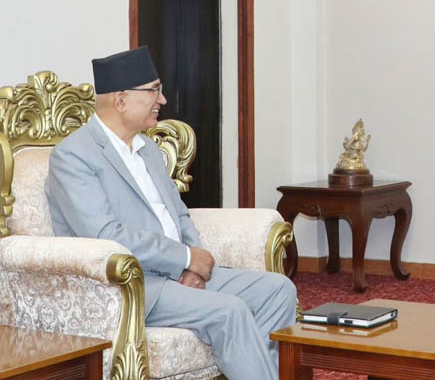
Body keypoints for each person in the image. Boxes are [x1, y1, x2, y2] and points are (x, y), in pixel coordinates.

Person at [45, 46, 297, 380]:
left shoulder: (148, 148)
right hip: (134, 285)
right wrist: (184, 258)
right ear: (121, 100)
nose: (162, 100)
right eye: (154, 90)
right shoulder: (73, 156)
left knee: (278, 289)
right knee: (229, 310)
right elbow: (106, 236)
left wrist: (194, 263)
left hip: (177, 271)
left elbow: (179, 213)